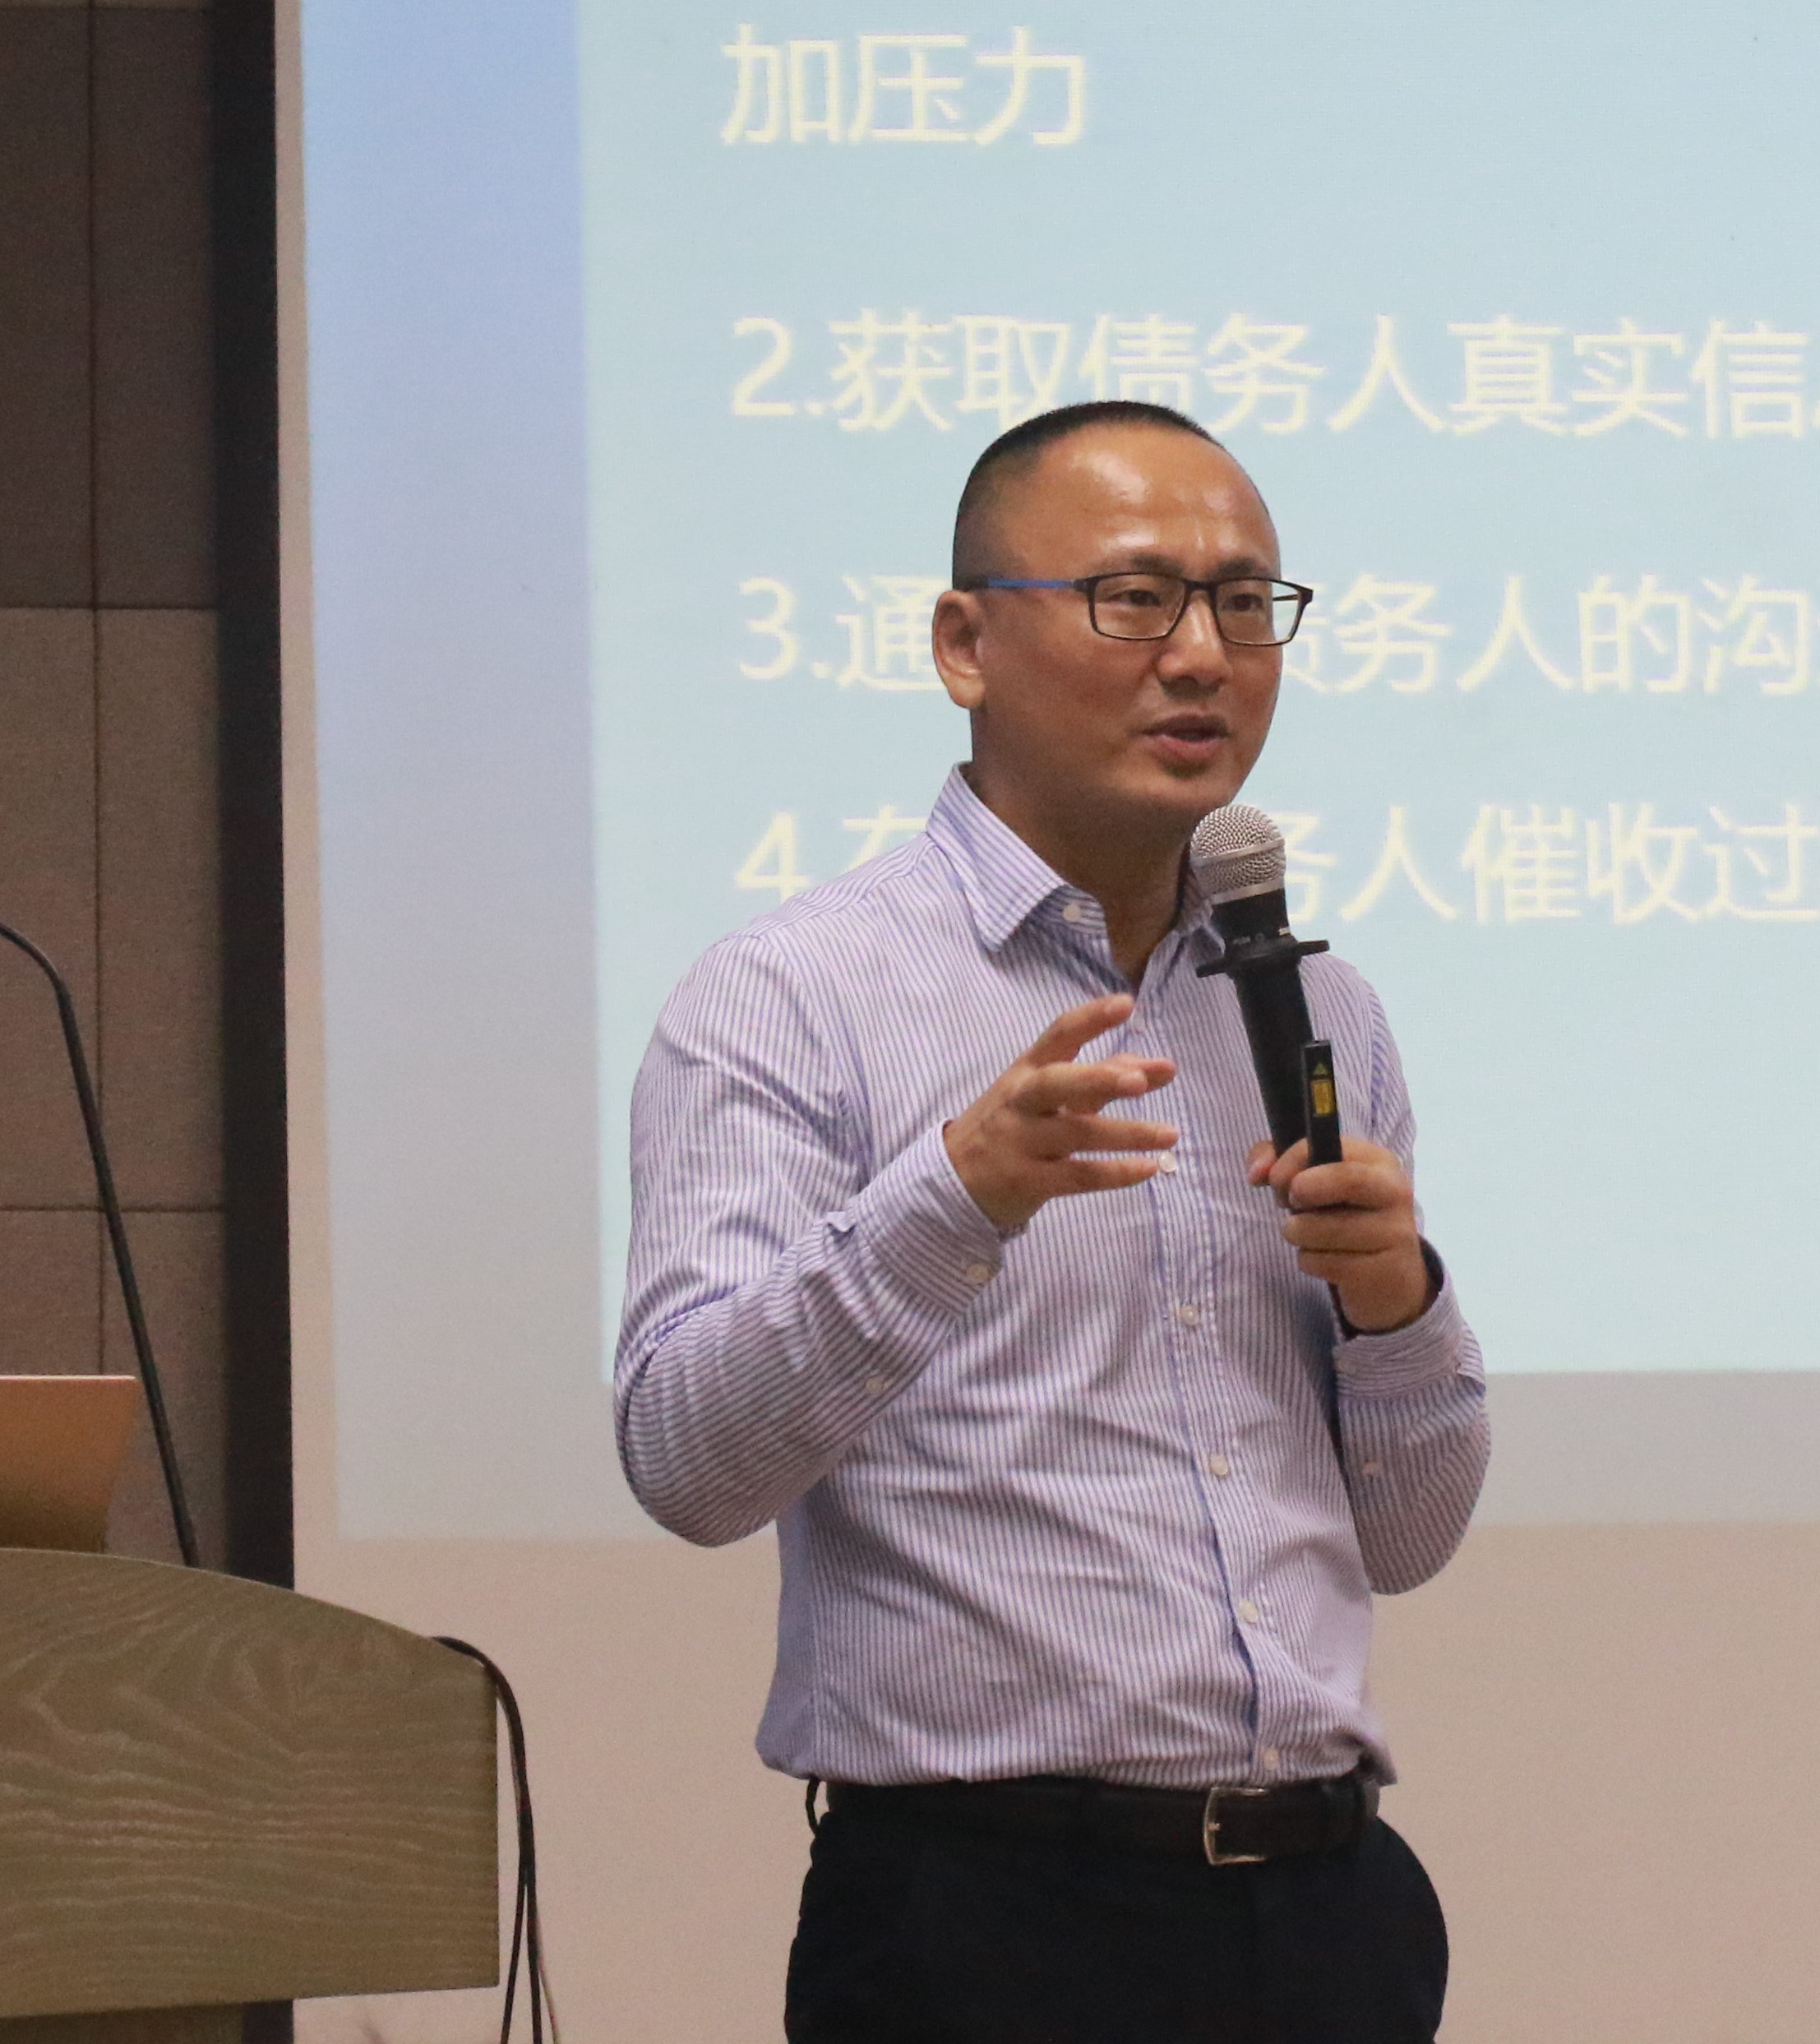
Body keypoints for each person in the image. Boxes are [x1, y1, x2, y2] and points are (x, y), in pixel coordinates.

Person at [615, 399, 1490, 2042]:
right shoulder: (792, 994)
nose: (1203, 655)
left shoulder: (1318, 1010)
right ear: (965, 643)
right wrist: (952, 1198)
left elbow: (1409, 1538)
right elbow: (685, 1459)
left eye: (1245, 602)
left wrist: (1400, 1305)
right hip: (988, 1922)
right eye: (1134, 597)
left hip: (1328, 1909)